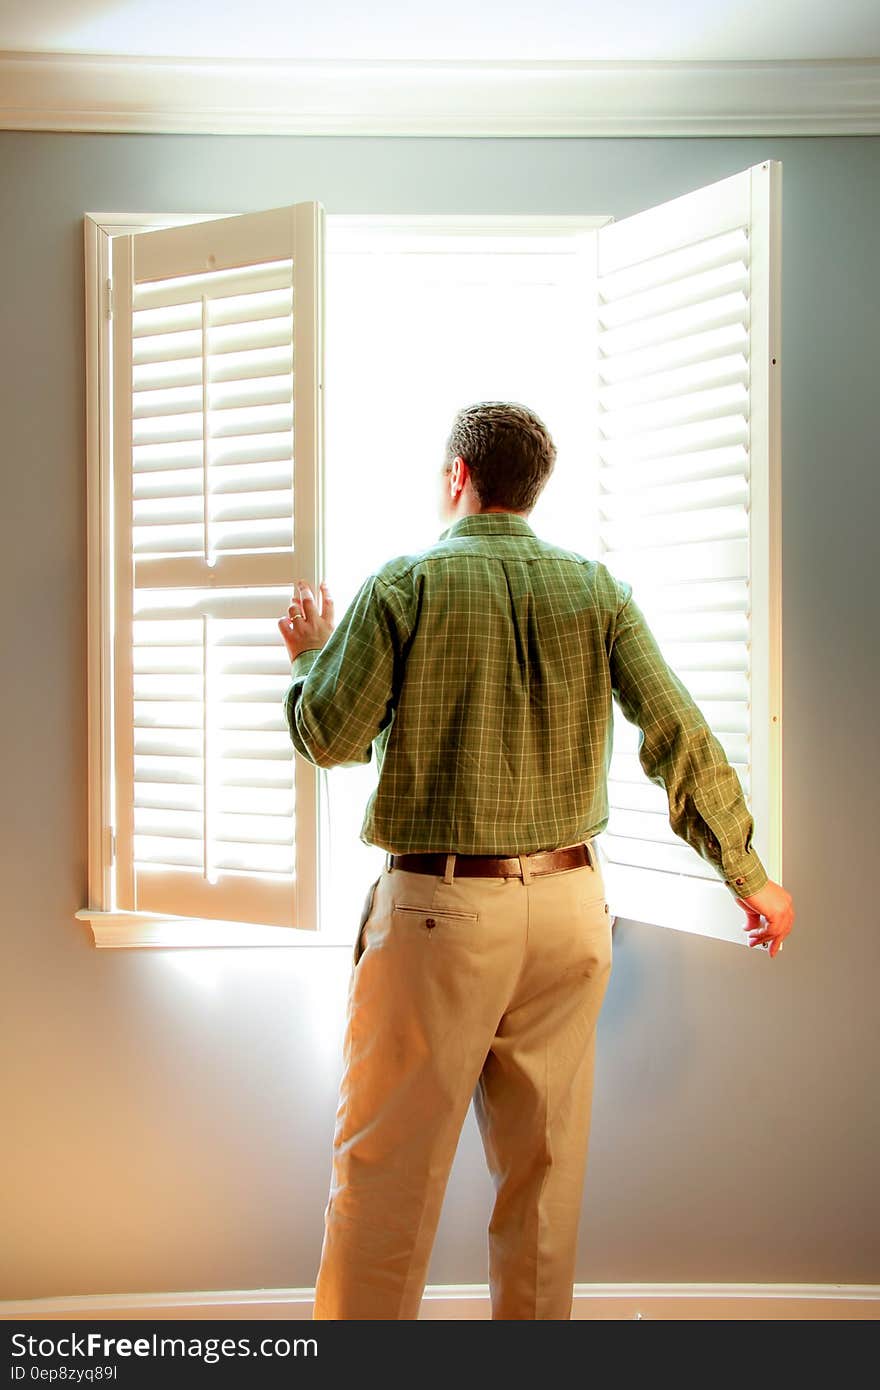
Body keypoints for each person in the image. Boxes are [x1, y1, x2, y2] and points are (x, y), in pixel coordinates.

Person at [278, 400, 795, 1321]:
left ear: (457, 479)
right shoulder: (597, 591)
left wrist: (313, 657)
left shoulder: (405, 586)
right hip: (569, 911)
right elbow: (676, 731)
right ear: (533, 489)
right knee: (544, 1185)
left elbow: (329, 736)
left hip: (441, 912)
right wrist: (748, 873)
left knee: (386, 1178)